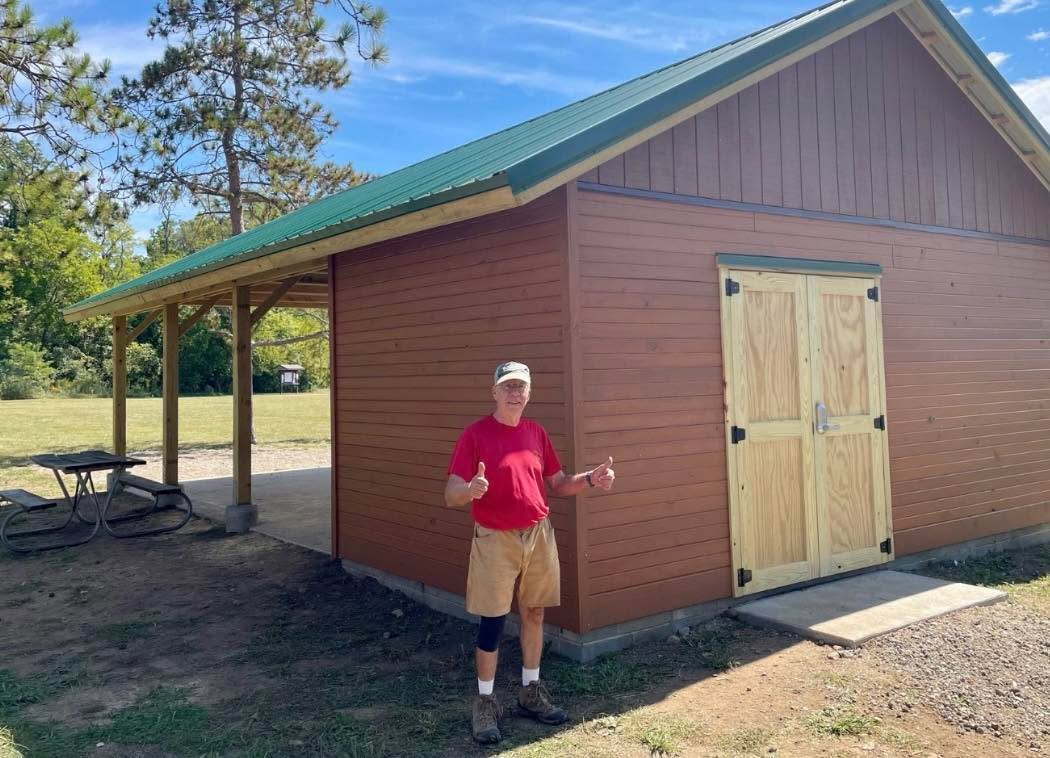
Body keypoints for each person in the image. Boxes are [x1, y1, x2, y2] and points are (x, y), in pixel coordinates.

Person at [444, 360, 615, 745]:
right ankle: (485, 702)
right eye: (507, 386)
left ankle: (530, 691)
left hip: (538, 533)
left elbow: (557, 482)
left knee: (534, 612)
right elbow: (451, 491)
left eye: (521, 387)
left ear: (529, 392)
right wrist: (468, 490)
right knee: (492, 619)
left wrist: (590, 479)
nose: (514, 393)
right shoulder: (475, 435)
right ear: (494, 392)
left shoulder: (536, 433)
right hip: (494, 538)